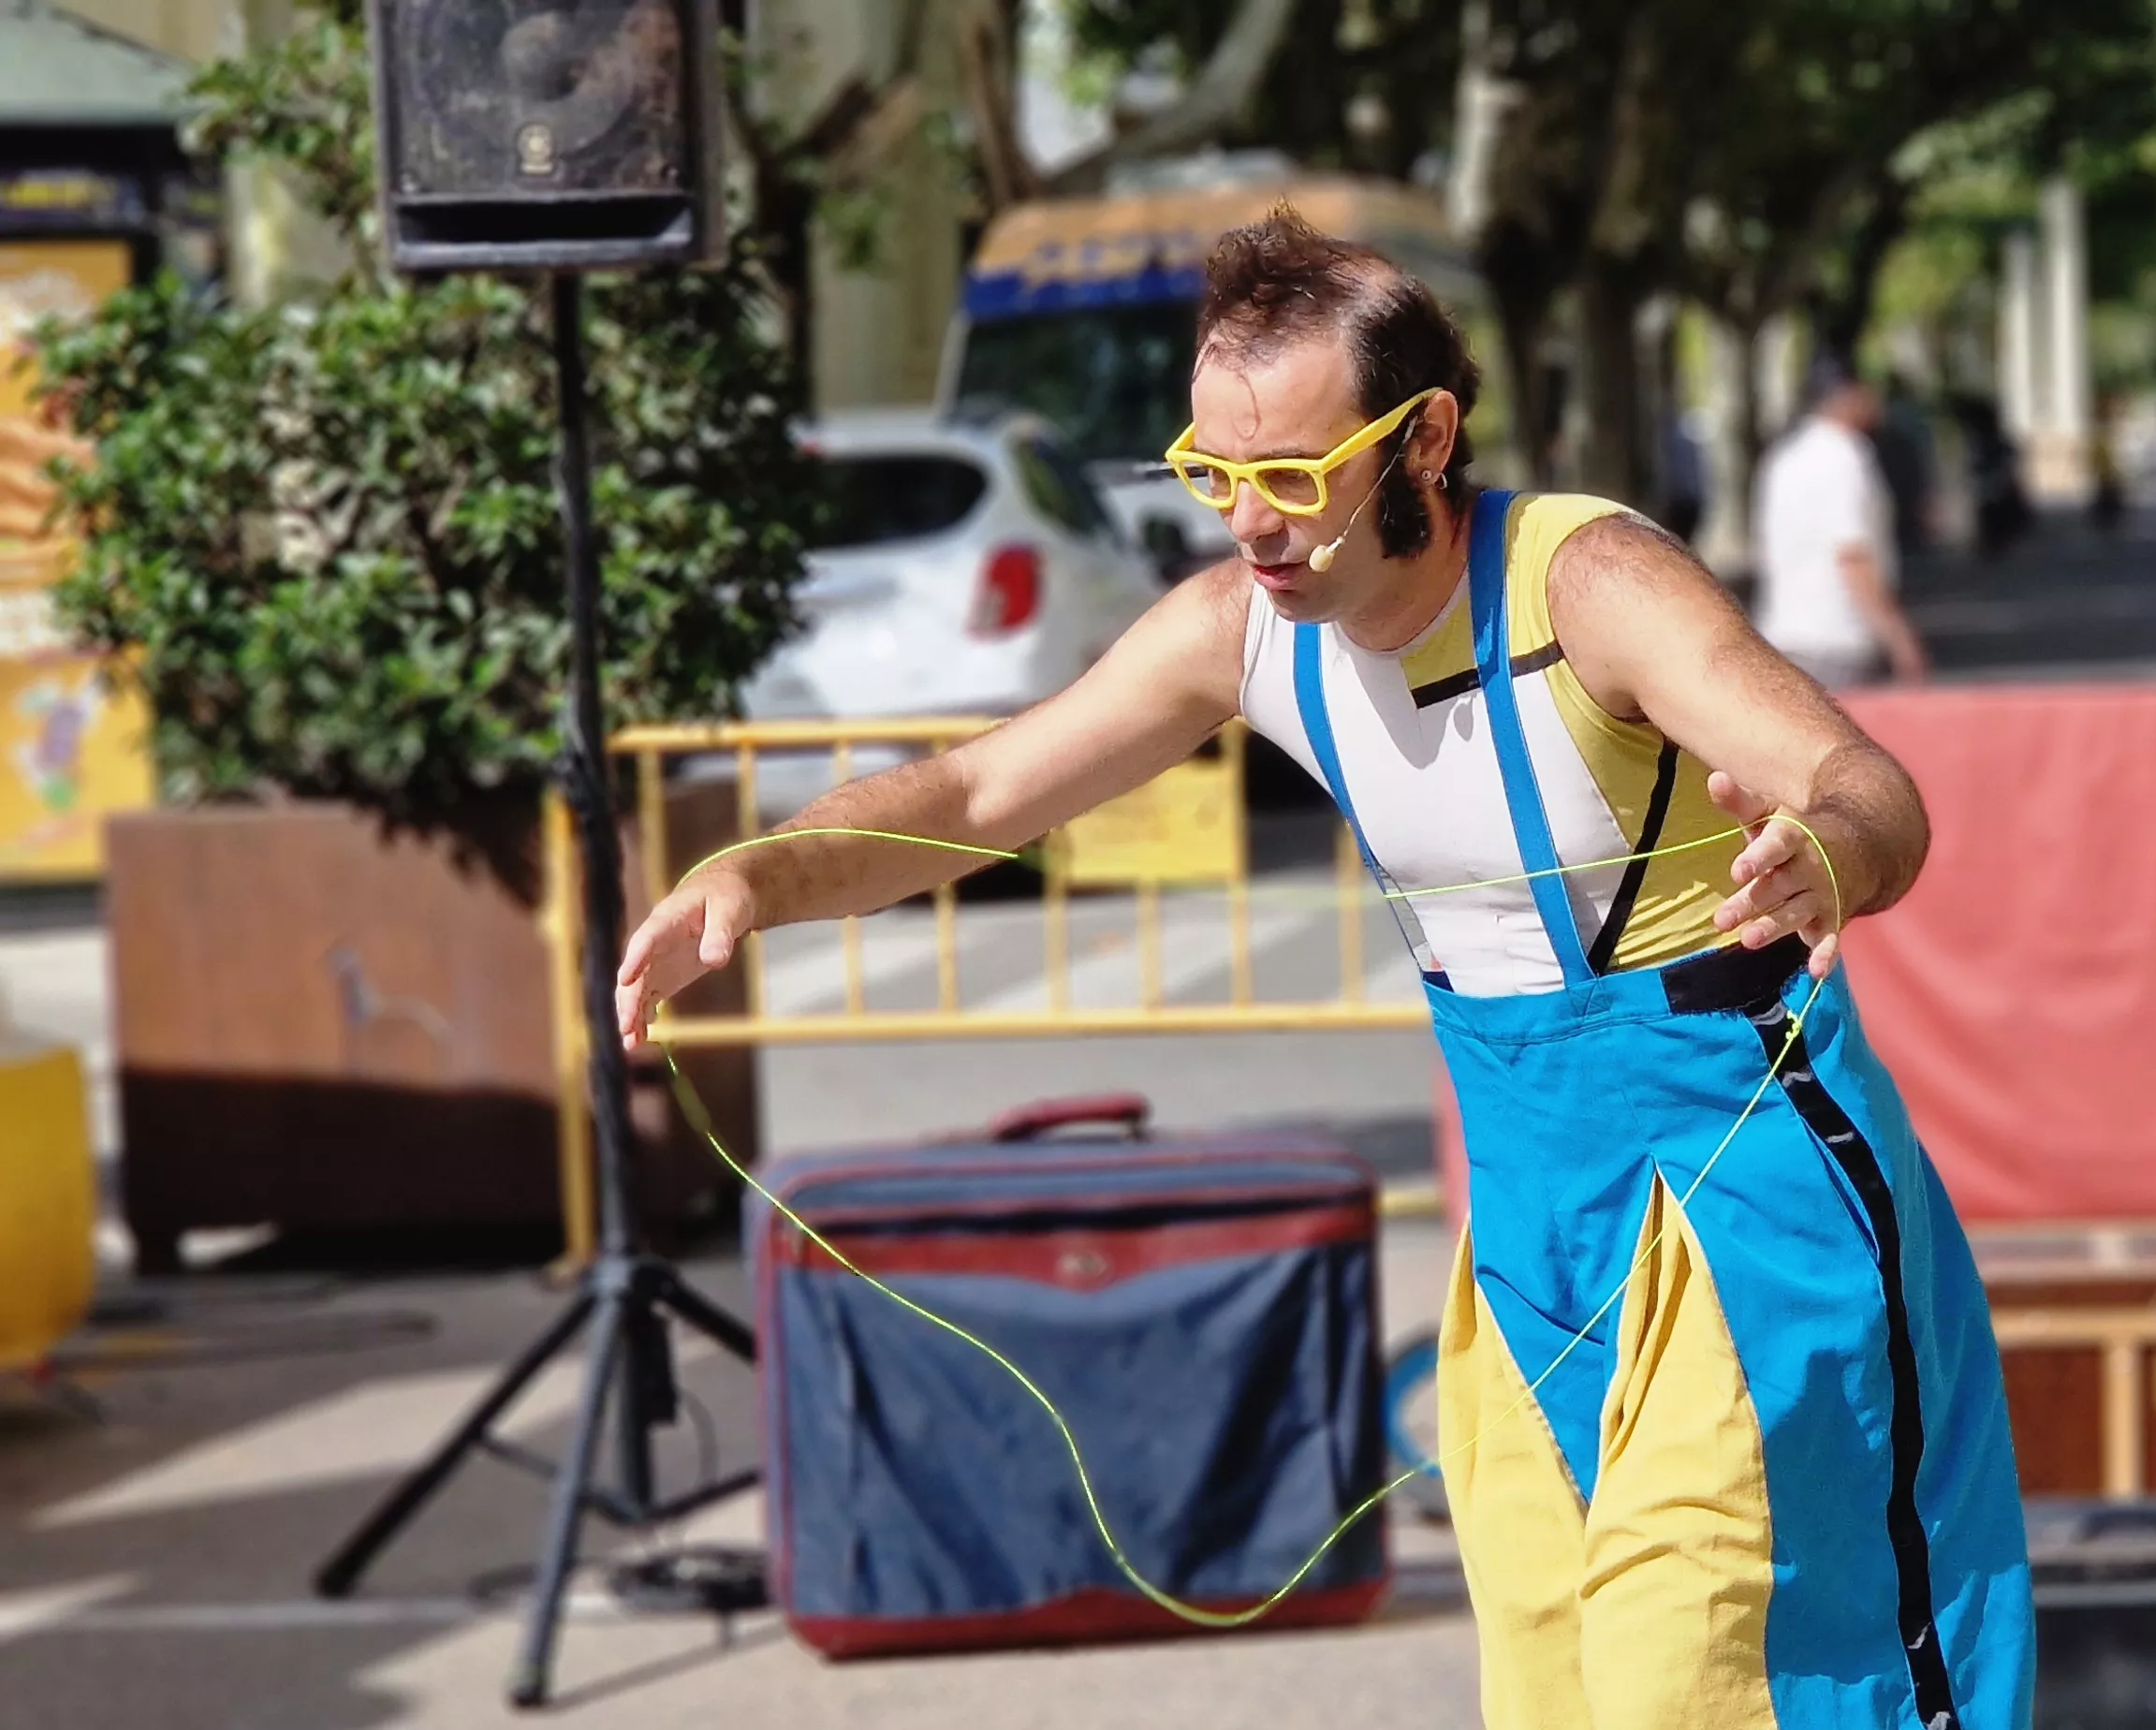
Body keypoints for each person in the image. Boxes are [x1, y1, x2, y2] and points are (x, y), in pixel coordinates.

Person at [610, 213, 2031, 1730]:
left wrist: (1826, 851)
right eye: (1212, 476)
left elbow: (1863, 780)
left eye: (1292, 478)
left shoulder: (1590, 583)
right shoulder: (1242, 633)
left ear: (1424, 439)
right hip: (1534, 1219)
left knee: (1716, 1678)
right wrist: (755, 875)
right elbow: (969, 800)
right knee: (1559, 1689)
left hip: (1748, 1198)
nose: (1251, 525)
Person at [1752, 358, 1929, 690]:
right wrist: (1898, 637)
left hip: (1784, 635)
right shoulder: (1845, 458)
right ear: (1848, 396)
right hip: (1837, 640)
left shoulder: (1785, 457)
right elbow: (1852, 555)